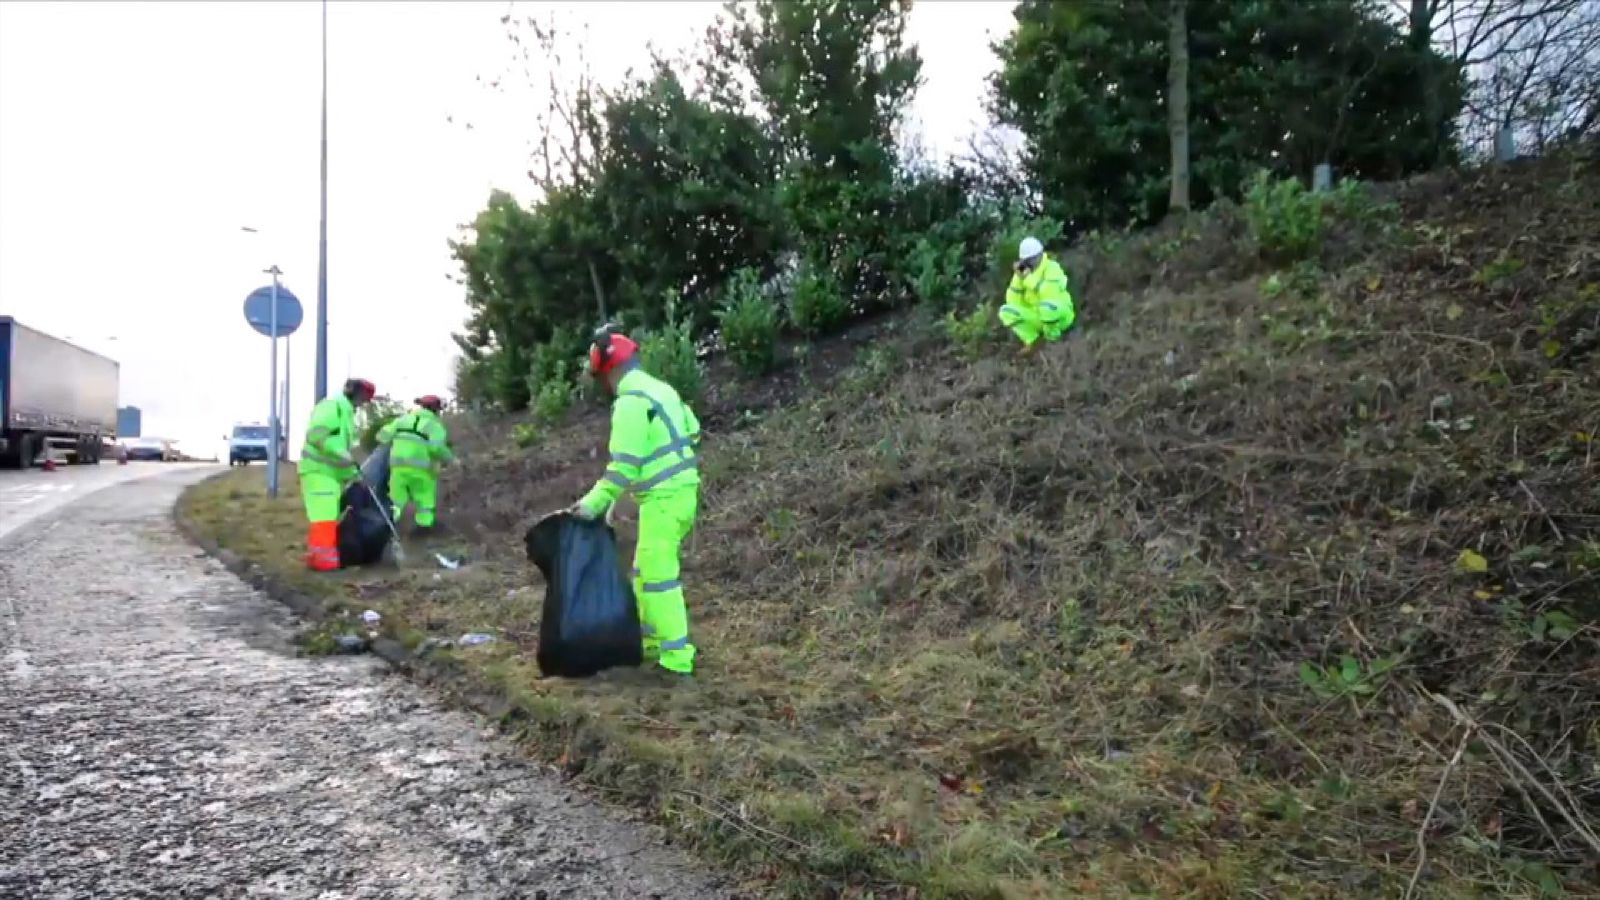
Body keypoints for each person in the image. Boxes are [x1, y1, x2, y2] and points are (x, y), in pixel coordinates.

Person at [568, 326, 702, 677]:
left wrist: (594, 504)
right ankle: (652, 644)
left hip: (665, 498)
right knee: (644, 572)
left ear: (609, 372)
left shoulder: (630, 401)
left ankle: (677, 662)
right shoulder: (662, 390)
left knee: (659, 577)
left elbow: (624, 464)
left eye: (602, 378)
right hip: (680, 492)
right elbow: (692, 429)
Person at [299, 377, 375, 571]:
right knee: (324, 517)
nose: (364, 404)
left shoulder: (347, 414)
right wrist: (341, 453)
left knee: (327, 517)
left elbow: (344, 456)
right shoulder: (332, 406)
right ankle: (324, 563)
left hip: (329, 475)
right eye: (365, 398)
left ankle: (318, 559)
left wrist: (354, 475)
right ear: (358, 394)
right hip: (318, 472)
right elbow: (316, 435)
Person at [377, 394, 455, 535]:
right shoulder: (434, 426)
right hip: (422, 470)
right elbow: (436, 448)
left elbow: (382, 436)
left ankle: (386, 528)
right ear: (436, 410)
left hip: (398, 468)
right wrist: (452, 459)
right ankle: (423, 529)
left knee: (396, 501)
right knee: (424, 499)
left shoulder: (402, 420)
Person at [998, 236, 1076, 356]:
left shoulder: (1052, 268)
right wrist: (1019, 279)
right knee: (1006, 311)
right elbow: (1012, 300)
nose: (1030, 263)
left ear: (1040, 255)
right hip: (1037, 316)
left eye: (1032, 259)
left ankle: (1053, 342)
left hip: (1060, 314)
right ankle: (1034, 343)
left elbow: (1049, 295)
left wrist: (1028, 278)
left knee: (1047, 307)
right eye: (1026, 260)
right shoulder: (1023, 272)